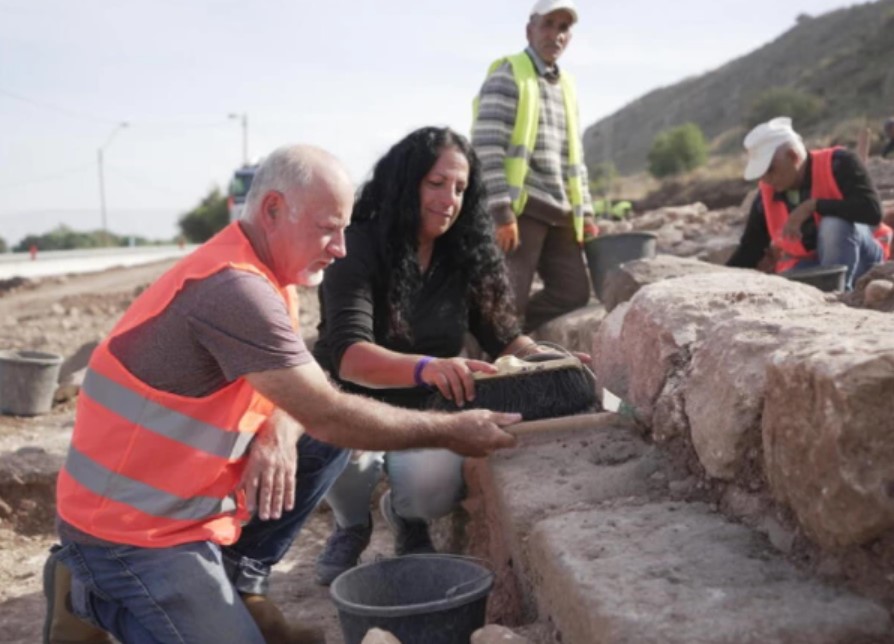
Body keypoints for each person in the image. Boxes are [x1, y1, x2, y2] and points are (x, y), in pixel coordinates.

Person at [45, 144, 520, 644]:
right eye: (328, 228)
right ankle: (89, 595)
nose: (340, 247)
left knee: (318, 440)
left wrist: (276, 428)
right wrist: (453, 430)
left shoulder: (272, 275)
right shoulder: (235, 290)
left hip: (188, 511)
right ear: (273, 209)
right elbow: (330, 413)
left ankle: (238, 580)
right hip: (129, 533)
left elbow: (307, 392)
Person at [310, 126, 545, 586]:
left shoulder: (463, 254)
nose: (449, 198)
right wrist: (428, 368)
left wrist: (549, 360)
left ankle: (407, 518)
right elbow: (348, 355)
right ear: (406, 181)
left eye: (460, 188)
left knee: (432, 486)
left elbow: (506, 340)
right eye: (435, 183)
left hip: (426, 412)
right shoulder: (356, 244)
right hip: (348, 403)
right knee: (321, 444)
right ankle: (351, 523)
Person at [471, 0, 597, 333]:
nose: (555, 34)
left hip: (561, 212)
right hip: (521, 210)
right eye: (548, 24)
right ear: (530, 29)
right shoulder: (509, 73)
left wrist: (587, 213)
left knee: (573, 292)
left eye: (563, 27)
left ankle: (515, 337)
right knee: (507, 300)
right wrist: (501, 212)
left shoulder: (567, 86)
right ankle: (486, 367)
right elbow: (486, 147)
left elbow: (576, 158)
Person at [727, 116, 890, 290]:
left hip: (863, 260)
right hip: (812, 266)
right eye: (762, 174)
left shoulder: (840, 163)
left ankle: (838, 294)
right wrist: (720, 277)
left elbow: (872, 211)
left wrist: (812, 206)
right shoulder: (766, 195)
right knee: (783, 283)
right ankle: (827, 292)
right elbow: (751, 249)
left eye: (770, 170)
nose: (766, 180)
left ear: (793, 156)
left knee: (833, 224)